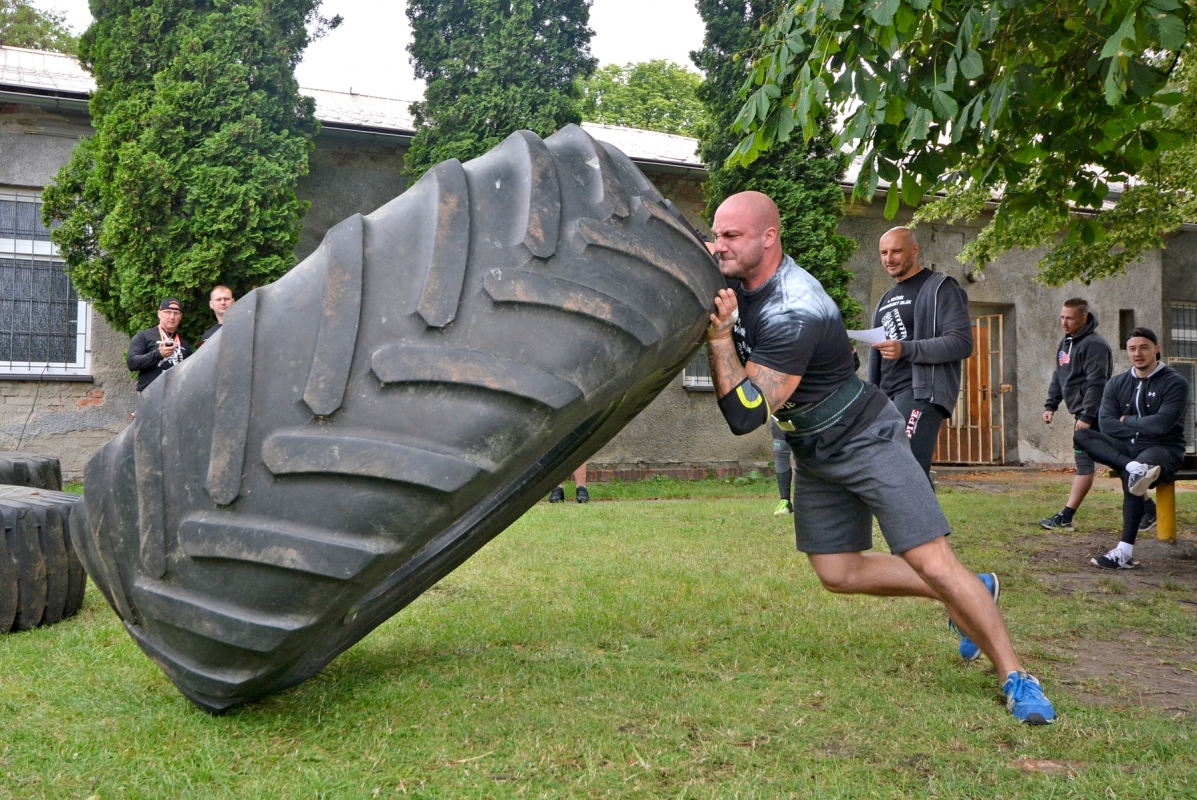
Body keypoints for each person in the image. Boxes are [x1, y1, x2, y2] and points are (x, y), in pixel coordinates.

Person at [705, 191, 1054, 724]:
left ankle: (1015, 675)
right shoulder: (732, 280)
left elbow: (745, 414)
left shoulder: (795, 307)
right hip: (812, 444)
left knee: (931, 560)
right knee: (837, 573)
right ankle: (971, 590)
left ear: (768, 238)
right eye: (717, 233)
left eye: (731, 236)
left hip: (865, 435)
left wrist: (721, 339)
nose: (719, 246)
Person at [1074, 328, 1189, 569]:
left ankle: (1124, 552)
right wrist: (1134, 429)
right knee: (1083, 435)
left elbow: (1162, 424)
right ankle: (1130, 465)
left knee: (1134, 477)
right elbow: (1105, 424)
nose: (1138, 353)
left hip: (1163, 449)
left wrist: (1125, 420)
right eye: (1132, 348)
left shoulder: (1175, 382)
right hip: (1127, 449)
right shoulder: (1117, 382)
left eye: (1144, 347)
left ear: (1156, 349)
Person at [867, 227, 972, 478]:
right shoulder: (885, 299)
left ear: (915, 251)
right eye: (883, 252)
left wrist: (906, 348)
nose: (889, 258)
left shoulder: (941, 288)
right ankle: (924, 518)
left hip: (920, 392)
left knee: (904, 470)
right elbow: (877, 355)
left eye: (896, 251)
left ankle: (910, 518)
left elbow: (961, 342)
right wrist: (872, 398)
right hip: (887, 397)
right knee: (899, 472)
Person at [1039, 298, 1116, 532]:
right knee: (1118, 462)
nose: (1064, 322)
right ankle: (1147, 509)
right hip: (1084, 414)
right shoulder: (1066, 343)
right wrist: (1050, 405)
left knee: (1101, 463)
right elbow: (1059, 375)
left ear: (1084, 318)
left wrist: (1087, 416)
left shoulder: (1094, 345)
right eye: (1062, 317)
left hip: (1097, 414)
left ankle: (1066, 516)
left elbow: (1097, 383)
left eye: (1069, 318)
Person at [127, 298, 190, 392]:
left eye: (176, 313)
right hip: (151, 396)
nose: (172, 316)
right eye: (167, 312)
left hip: (177, 396)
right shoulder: (144, 336)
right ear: (159, 314)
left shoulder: (184, 344)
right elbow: (132, 363)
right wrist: (158, 354)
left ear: (180, 317)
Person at [770, 420, 793, 516]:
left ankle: (812, 499)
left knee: (809, 449)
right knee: (780, 449)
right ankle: (785, 501)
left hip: (809, 408)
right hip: (780, 409)